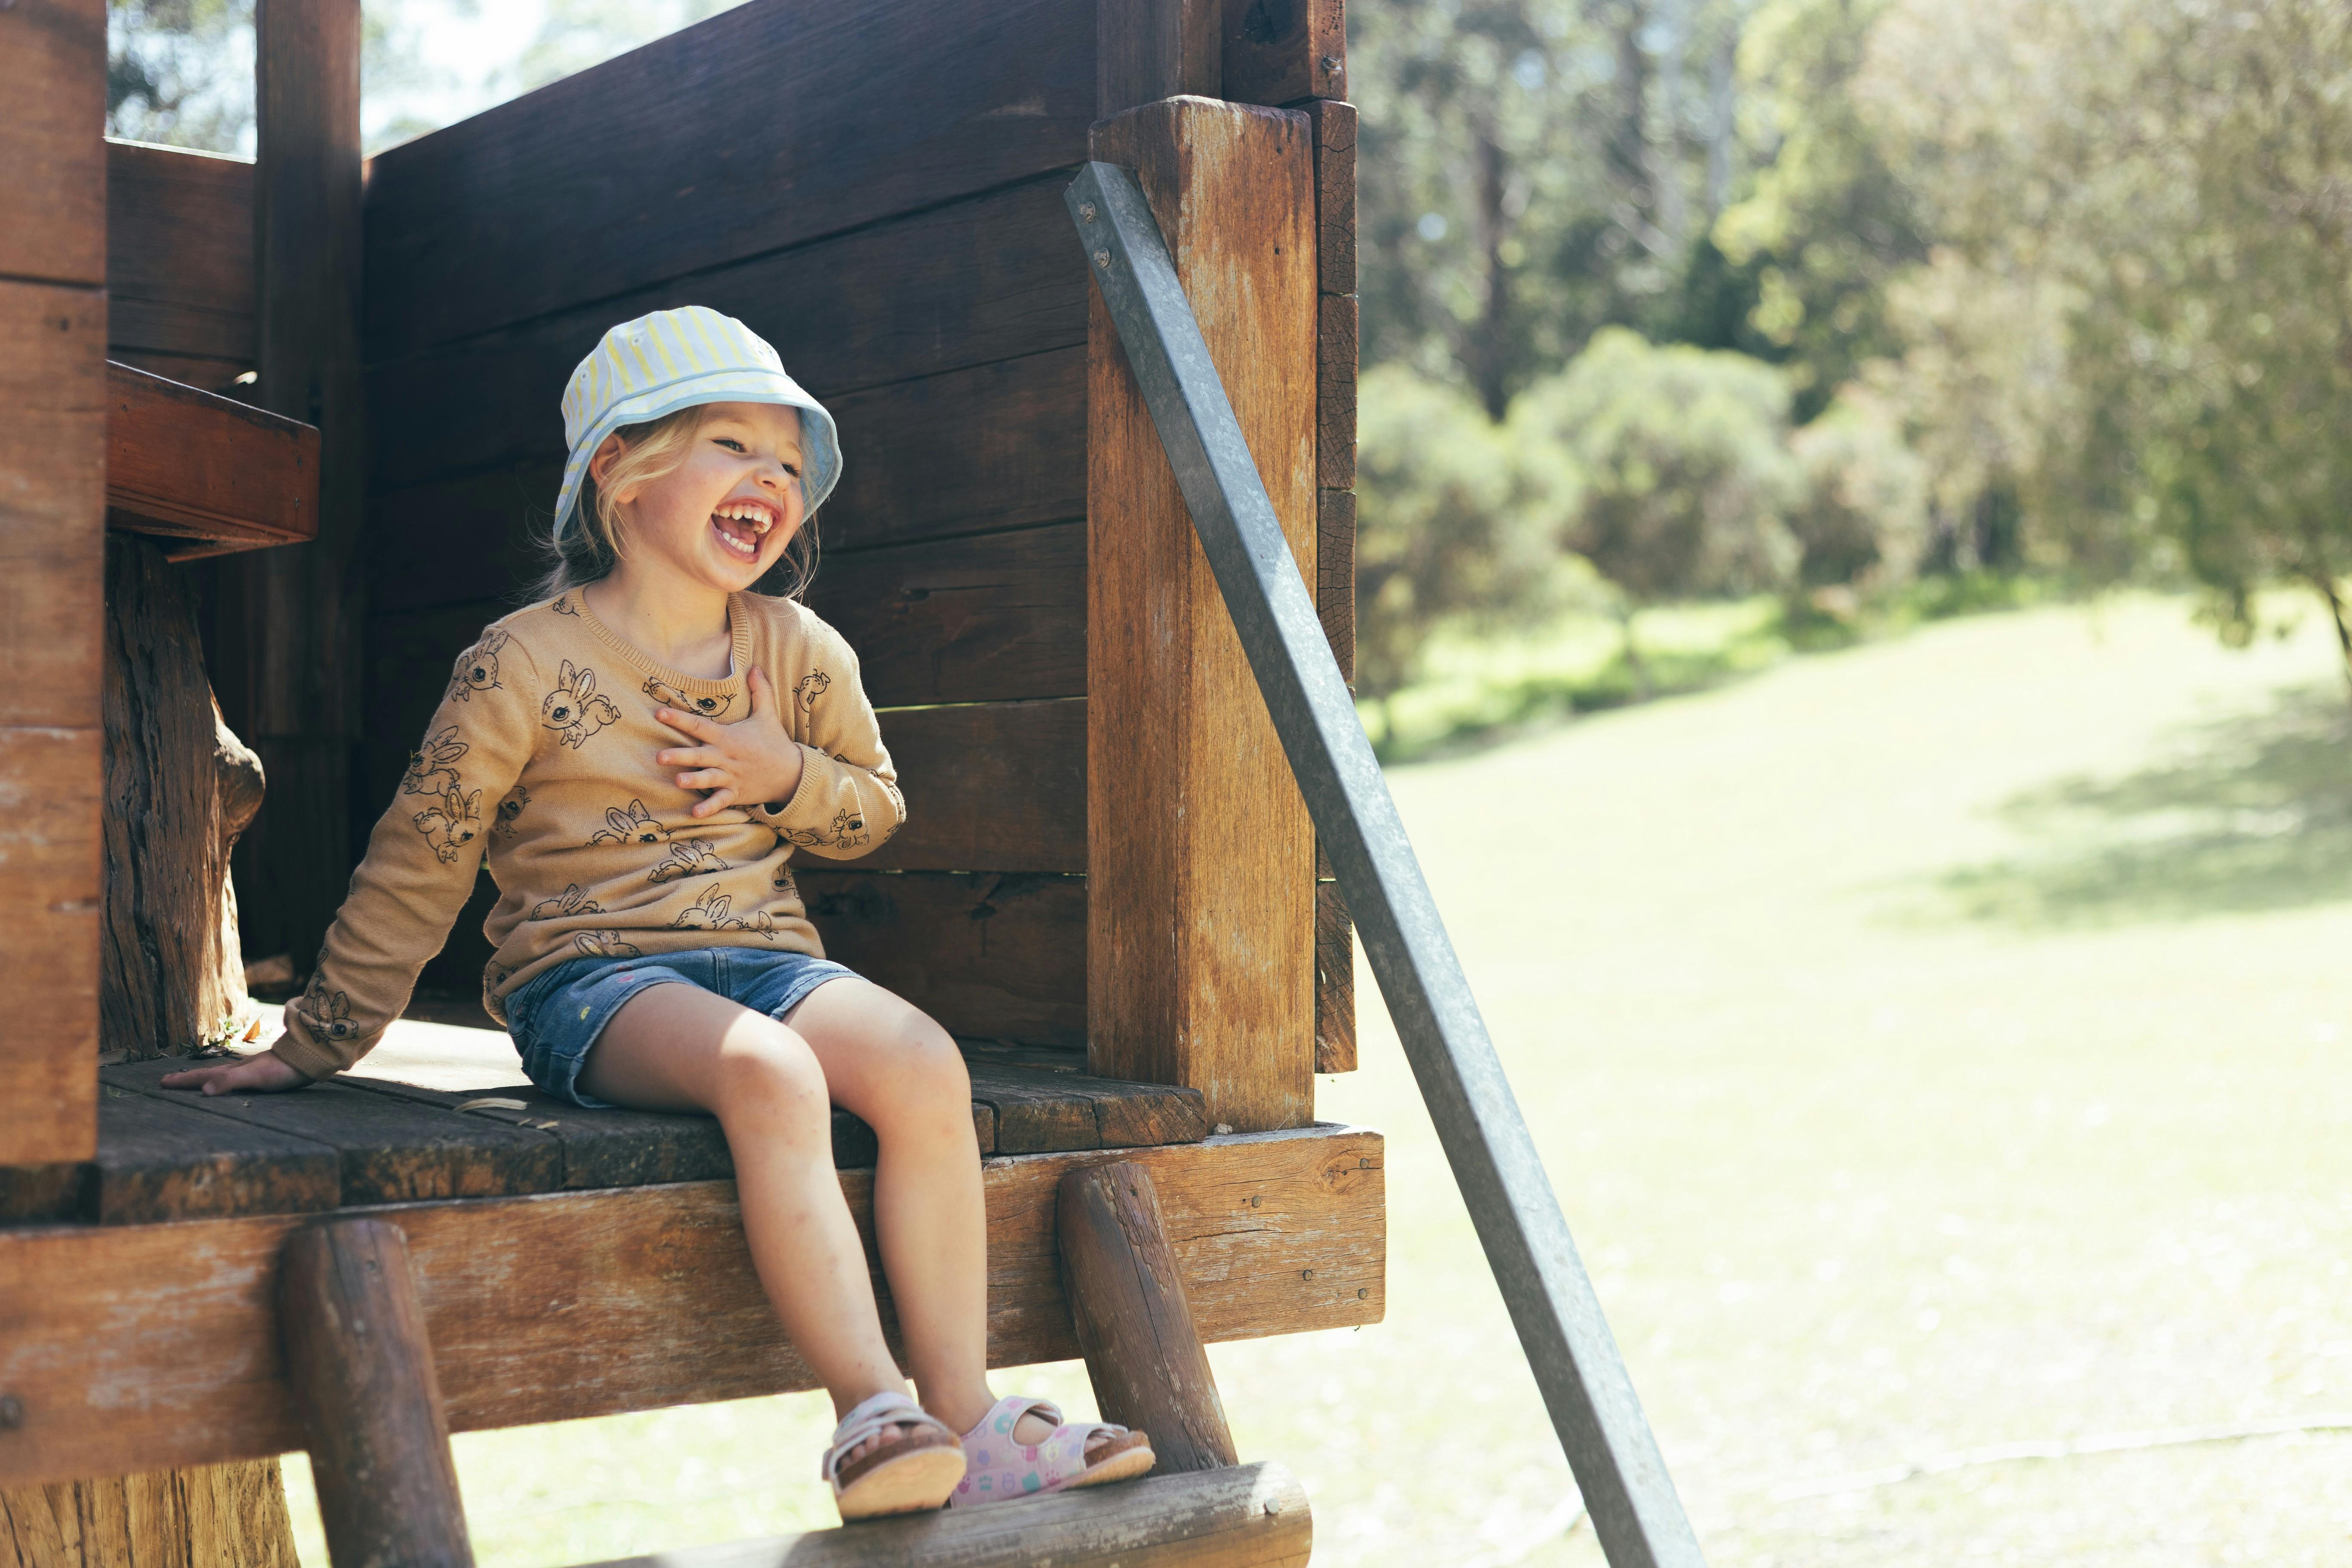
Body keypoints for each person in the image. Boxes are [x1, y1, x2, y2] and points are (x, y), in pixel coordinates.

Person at [160, 306, 1155, 1521]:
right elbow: (424, 851)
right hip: (592, 983)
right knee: (772, 1075)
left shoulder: (798, 651)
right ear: (620, 471)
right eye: (733, 444)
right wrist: (320, 1038)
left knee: (922, 1063)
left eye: (789, 461)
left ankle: (968, 1414)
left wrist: (781, 773)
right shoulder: (521, 663)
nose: (772, 479)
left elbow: (873, 809)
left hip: (770, 960)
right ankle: (870, 1413)